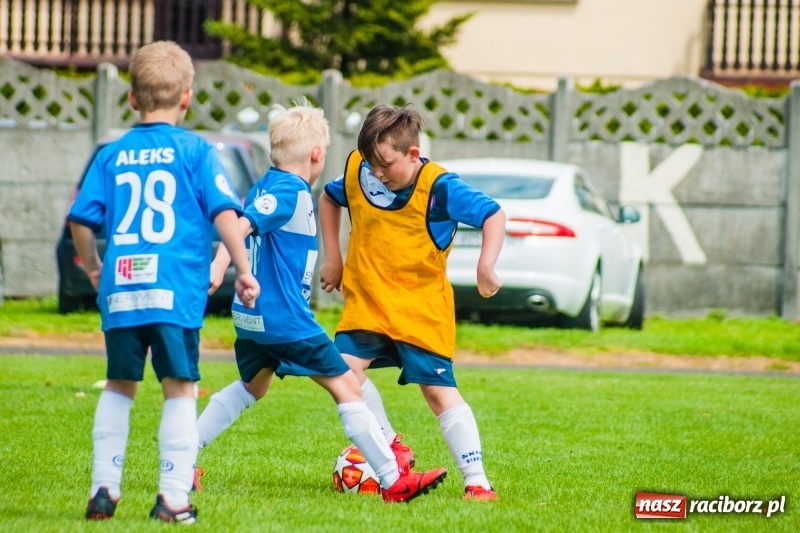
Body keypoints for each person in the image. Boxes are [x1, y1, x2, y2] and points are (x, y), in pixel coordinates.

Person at [195, 102, 448, 503]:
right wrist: (229, 269)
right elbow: (240, 227)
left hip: (252, 320)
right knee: (348, 385)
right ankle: (392, 480)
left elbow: (239, 223)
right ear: (317, 154)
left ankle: (183, 455)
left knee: (252, 387)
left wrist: (222, 265)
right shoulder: (291, 190)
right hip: (286, 319)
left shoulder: (265, 184)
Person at [71, 41, 260, 524]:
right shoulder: (196, 151)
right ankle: (173, 498)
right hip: (174, 289)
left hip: (123, 289)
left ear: (131, 99)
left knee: (118, 385)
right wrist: (243, 268)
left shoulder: (112, 154)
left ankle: (103, 491)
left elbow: (81, 219)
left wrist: (95, 268)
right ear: (187, 97)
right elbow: (224, 213)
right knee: (180, 386)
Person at [318, 104, 506, 501]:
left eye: (385, 163)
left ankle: (477, 482)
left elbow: (493, 214)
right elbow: (330, 198)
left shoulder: (440, 188)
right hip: (367, 302)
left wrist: (486, 265)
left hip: (420, 310)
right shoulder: (358, 169)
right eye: (371, 163)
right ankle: (391, 446)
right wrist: (333, 257)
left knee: (437, 393)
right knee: (341, 373)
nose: (377, 172)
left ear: (413, 154)